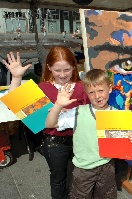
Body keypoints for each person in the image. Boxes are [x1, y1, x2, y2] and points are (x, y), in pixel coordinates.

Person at [3, 47, 90, 199]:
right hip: (55, 142)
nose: (62, 75)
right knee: (58, 178)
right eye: (57, 70)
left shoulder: (82, 87)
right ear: (49, 67)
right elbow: (14, 104)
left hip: (81, 139)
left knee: (83, 175)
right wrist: (16, 77)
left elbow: (94, 112)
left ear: (74, 67)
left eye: (67, 70)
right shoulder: (43, 88)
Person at [45, 69, 132, 199]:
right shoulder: (78, 112)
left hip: (107, 165)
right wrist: (58, 106)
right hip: (83, 168)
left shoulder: (116, 114)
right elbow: (50, 124)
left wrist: (129, 138)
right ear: (86, 93)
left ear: (110, 89)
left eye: (101, 91)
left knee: (107, 196)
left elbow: (123, 139)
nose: (97, 96)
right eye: (91, 93)